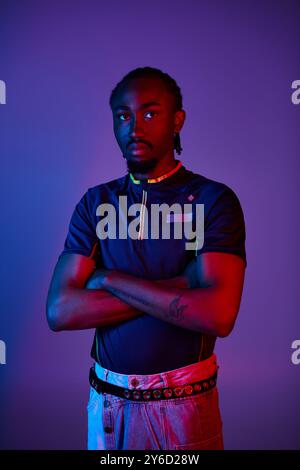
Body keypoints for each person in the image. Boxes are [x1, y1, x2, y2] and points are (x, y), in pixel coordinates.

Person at [46, 66, 247, 451]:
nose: (134, 127)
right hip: (106, 402)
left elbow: (218, 314)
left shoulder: (212, 200)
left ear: (177, 120)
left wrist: (107, 278)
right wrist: (182, 286)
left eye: (150, 113)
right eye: (123, 115)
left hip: (183, 402)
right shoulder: (96, 203)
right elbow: (60, 311)